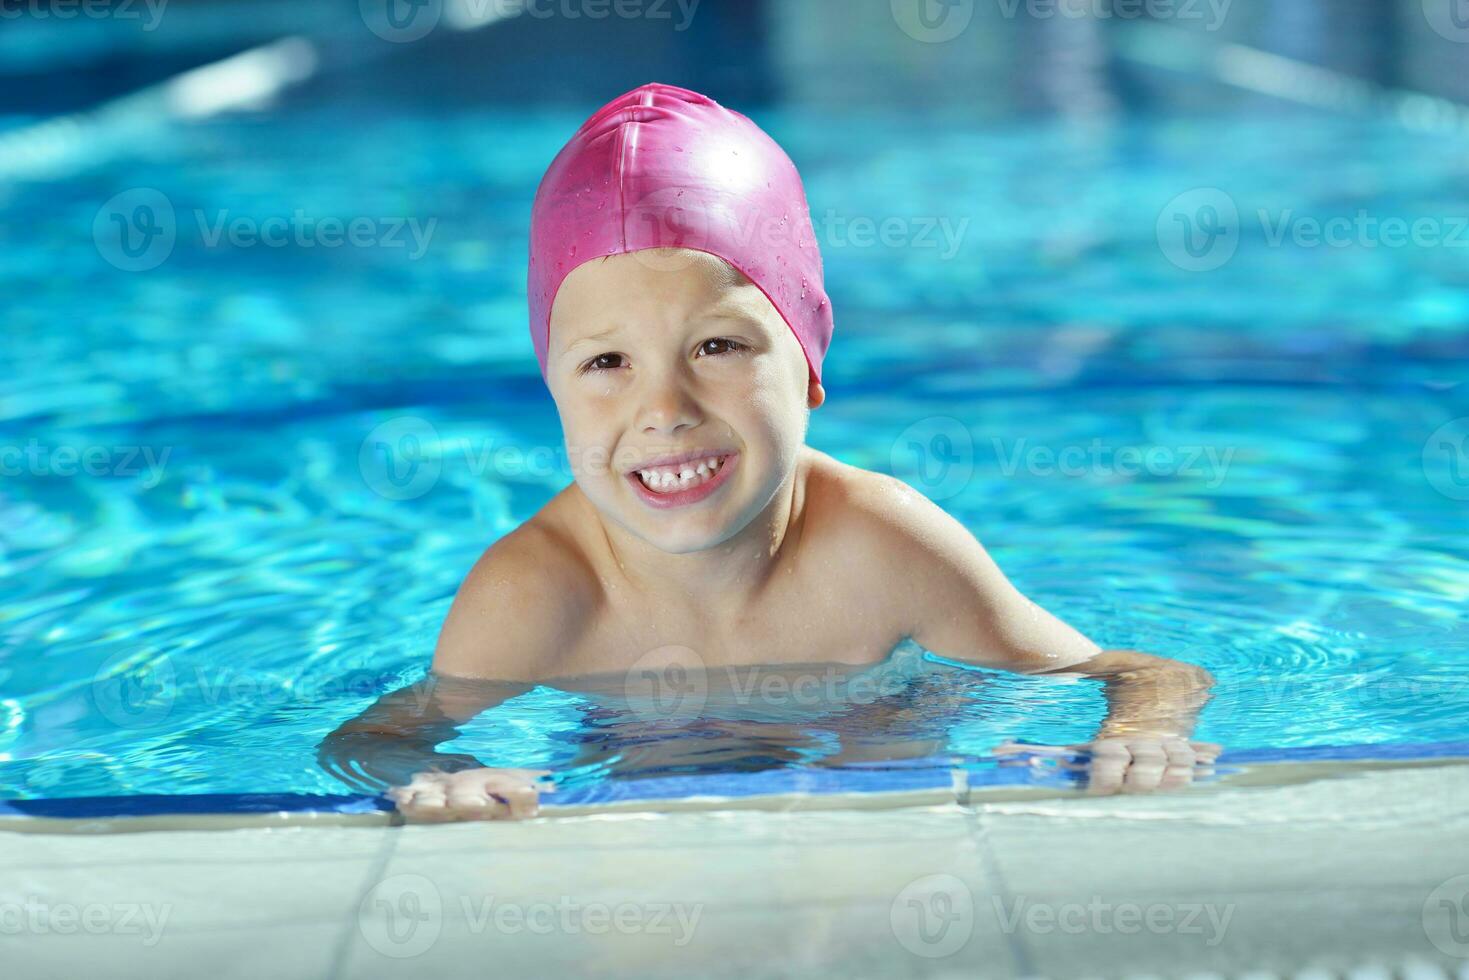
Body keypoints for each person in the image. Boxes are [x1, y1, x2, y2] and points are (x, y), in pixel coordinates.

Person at [318, 82, 1218, 821]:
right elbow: (376, 739)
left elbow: (1143, 674)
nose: (662, 410)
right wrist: (433, 781)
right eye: (605, 363)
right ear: (551, 390)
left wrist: (1138, 727)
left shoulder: (886, 545)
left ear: (810, 363)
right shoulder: (538, 591)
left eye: (717, 347)